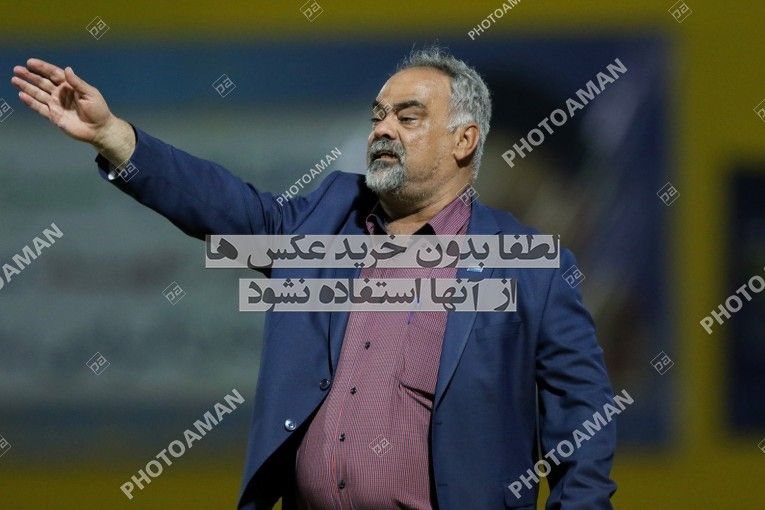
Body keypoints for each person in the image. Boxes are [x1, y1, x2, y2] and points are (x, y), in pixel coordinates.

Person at [11, 45, 617, 510]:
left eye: (408, 117)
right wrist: (114, 137)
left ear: (464, 140)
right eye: (378, 116)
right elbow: (228, 209)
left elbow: (584, 428)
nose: (383, 130)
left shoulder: (530, 266)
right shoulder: (329, 215)